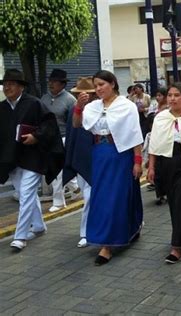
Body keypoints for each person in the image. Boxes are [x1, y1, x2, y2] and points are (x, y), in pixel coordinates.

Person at [73, 70, 144, 265]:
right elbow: (77, 124)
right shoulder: (93, 106)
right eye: (96, 85)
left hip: (121, 155)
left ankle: (109, 245)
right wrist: (79, 106)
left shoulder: (127, 106)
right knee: (100, 197)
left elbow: (135, 135)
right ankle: (108, 236)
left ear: (112, 84)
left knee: (120, 197)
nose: (98, 89)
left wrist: (138, 161)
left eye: (102, 84)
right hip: (99, 154)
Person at [0, 69, 64, 251]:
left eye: (11, 84)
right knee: (24, 194)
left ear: (21, 87)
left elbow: (50, 125)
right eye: (5, 84)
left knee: (26, 193)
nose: (7, 87)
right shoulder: (2, 108)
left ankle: (20, 236)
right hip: (12, 158)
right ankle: (38, 226)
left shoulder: (34, 104)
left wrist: (36, 136)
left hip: (33, 157)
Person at [147, 83, 181, 264]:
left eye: (177, 95)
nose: (172, 99)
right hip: (166, 163)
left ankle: (177, 247)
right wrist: (152, 168)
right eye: (170, 95)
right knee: (175, 203)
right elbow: (154, 144)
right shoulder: (160, 118)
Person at [64, 77, 97, 248]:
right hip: (82, 158)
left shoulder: (101, 109)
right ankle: (85, 232)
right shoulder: (73, 110)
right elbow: (73, 135)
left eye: (89, 94)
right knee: (88, 196)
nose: (86, 96)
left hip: (100, 157)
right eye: (82, 94)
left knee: (96, 196)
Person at [41, 69, 78, 212]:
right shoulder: (44, 98)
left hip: (63, 138)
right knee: (56, 169)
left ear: (62, 84)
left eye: (54, 82)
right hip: (47, 139)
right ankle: (74, 187)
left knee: (57, 171)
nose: (51, 84)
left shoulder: (70, 100)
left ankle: (58, 201)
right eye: (50, 81)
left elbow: (74, 123)